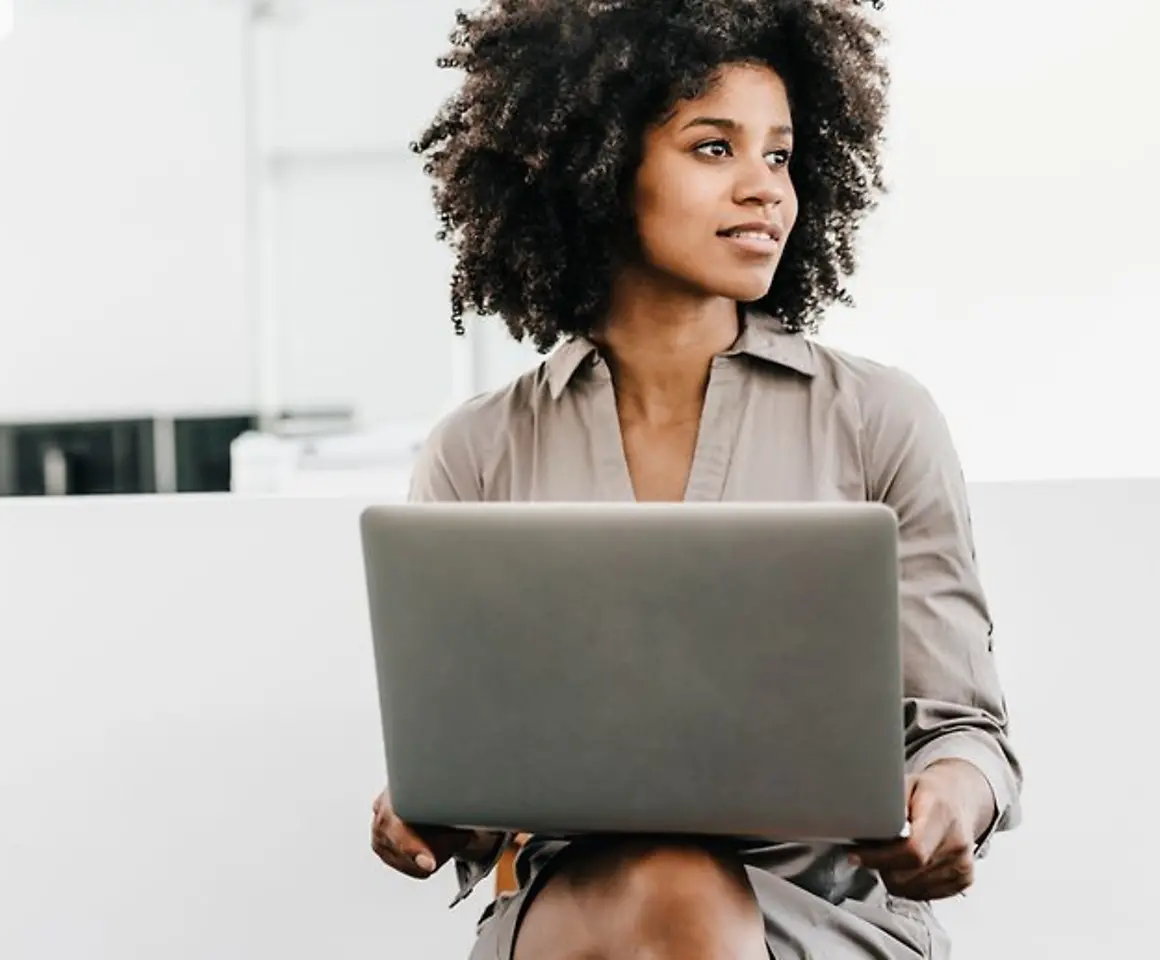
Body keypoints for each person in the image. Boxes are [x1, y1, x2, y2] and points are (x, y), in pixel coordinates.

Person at [368, 1, 1022, 958]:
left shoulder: (878, 418)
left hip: (819, 913)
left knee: (680, 898)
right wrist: (426, 811)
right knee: (660, 891)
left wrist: (953, 801)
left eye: (781, 156)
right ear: (596, 169)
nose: (765, 188)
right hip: (572, 909)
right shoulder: (479, 448)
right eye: (715, 148)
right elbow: (462, 770)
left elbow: (963, 729)